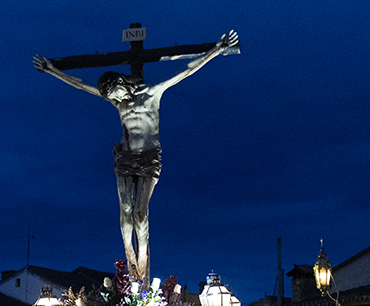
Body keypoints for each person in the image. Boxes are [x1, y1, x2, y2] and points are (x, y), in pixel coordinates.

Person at [33, 30, 239, 280]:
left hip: (149, 157)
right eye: (112, 99)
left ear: (122, 84)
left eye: (116, 95)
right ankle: (130, 256)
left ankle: (142, 258)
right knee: (125, 209)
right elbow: (81, 84)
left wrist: (217, 49)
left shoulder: (153, 93)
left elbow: (186, 71)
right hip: (125, 157)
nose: (117, 101)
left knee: (141, 212)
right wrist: (52, 70)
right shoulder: (118, 101)